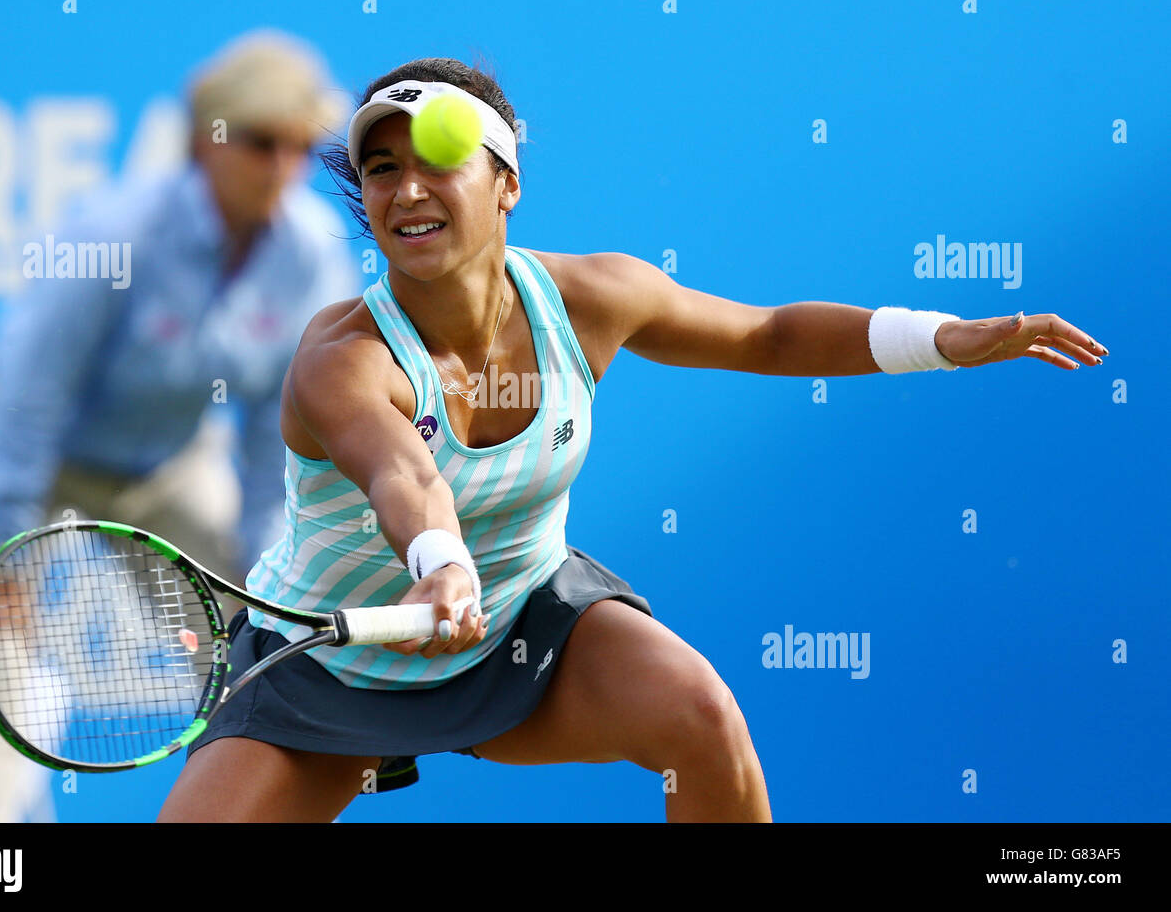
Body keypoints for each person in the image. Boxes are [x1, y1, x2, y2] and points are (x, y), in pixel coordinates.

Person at [158, 57, 1108, 823]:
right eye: (380, 168)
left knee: (700, 719)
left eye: (437, 159)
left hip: (522, 626)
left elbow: (769, 334)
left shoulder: (591, 299)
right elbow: (401, 470)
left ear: (506, 185)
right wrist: (440, 563)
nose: (407, 189)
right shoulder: (341, 356)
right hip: (326, 657)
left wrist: (945, 340)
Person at [0, 30, 362, 822]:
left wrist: (271, 575)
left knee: (263, 646)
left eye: (300, 146)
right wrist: (2, 552)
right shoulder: (116, 234)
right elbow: (26, 399)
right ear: (205, 141)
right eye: (261, 141)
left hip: (163, 463)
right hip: (12, 453)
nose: (282, 167)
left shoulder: (308, 263)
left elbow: (279, 445)